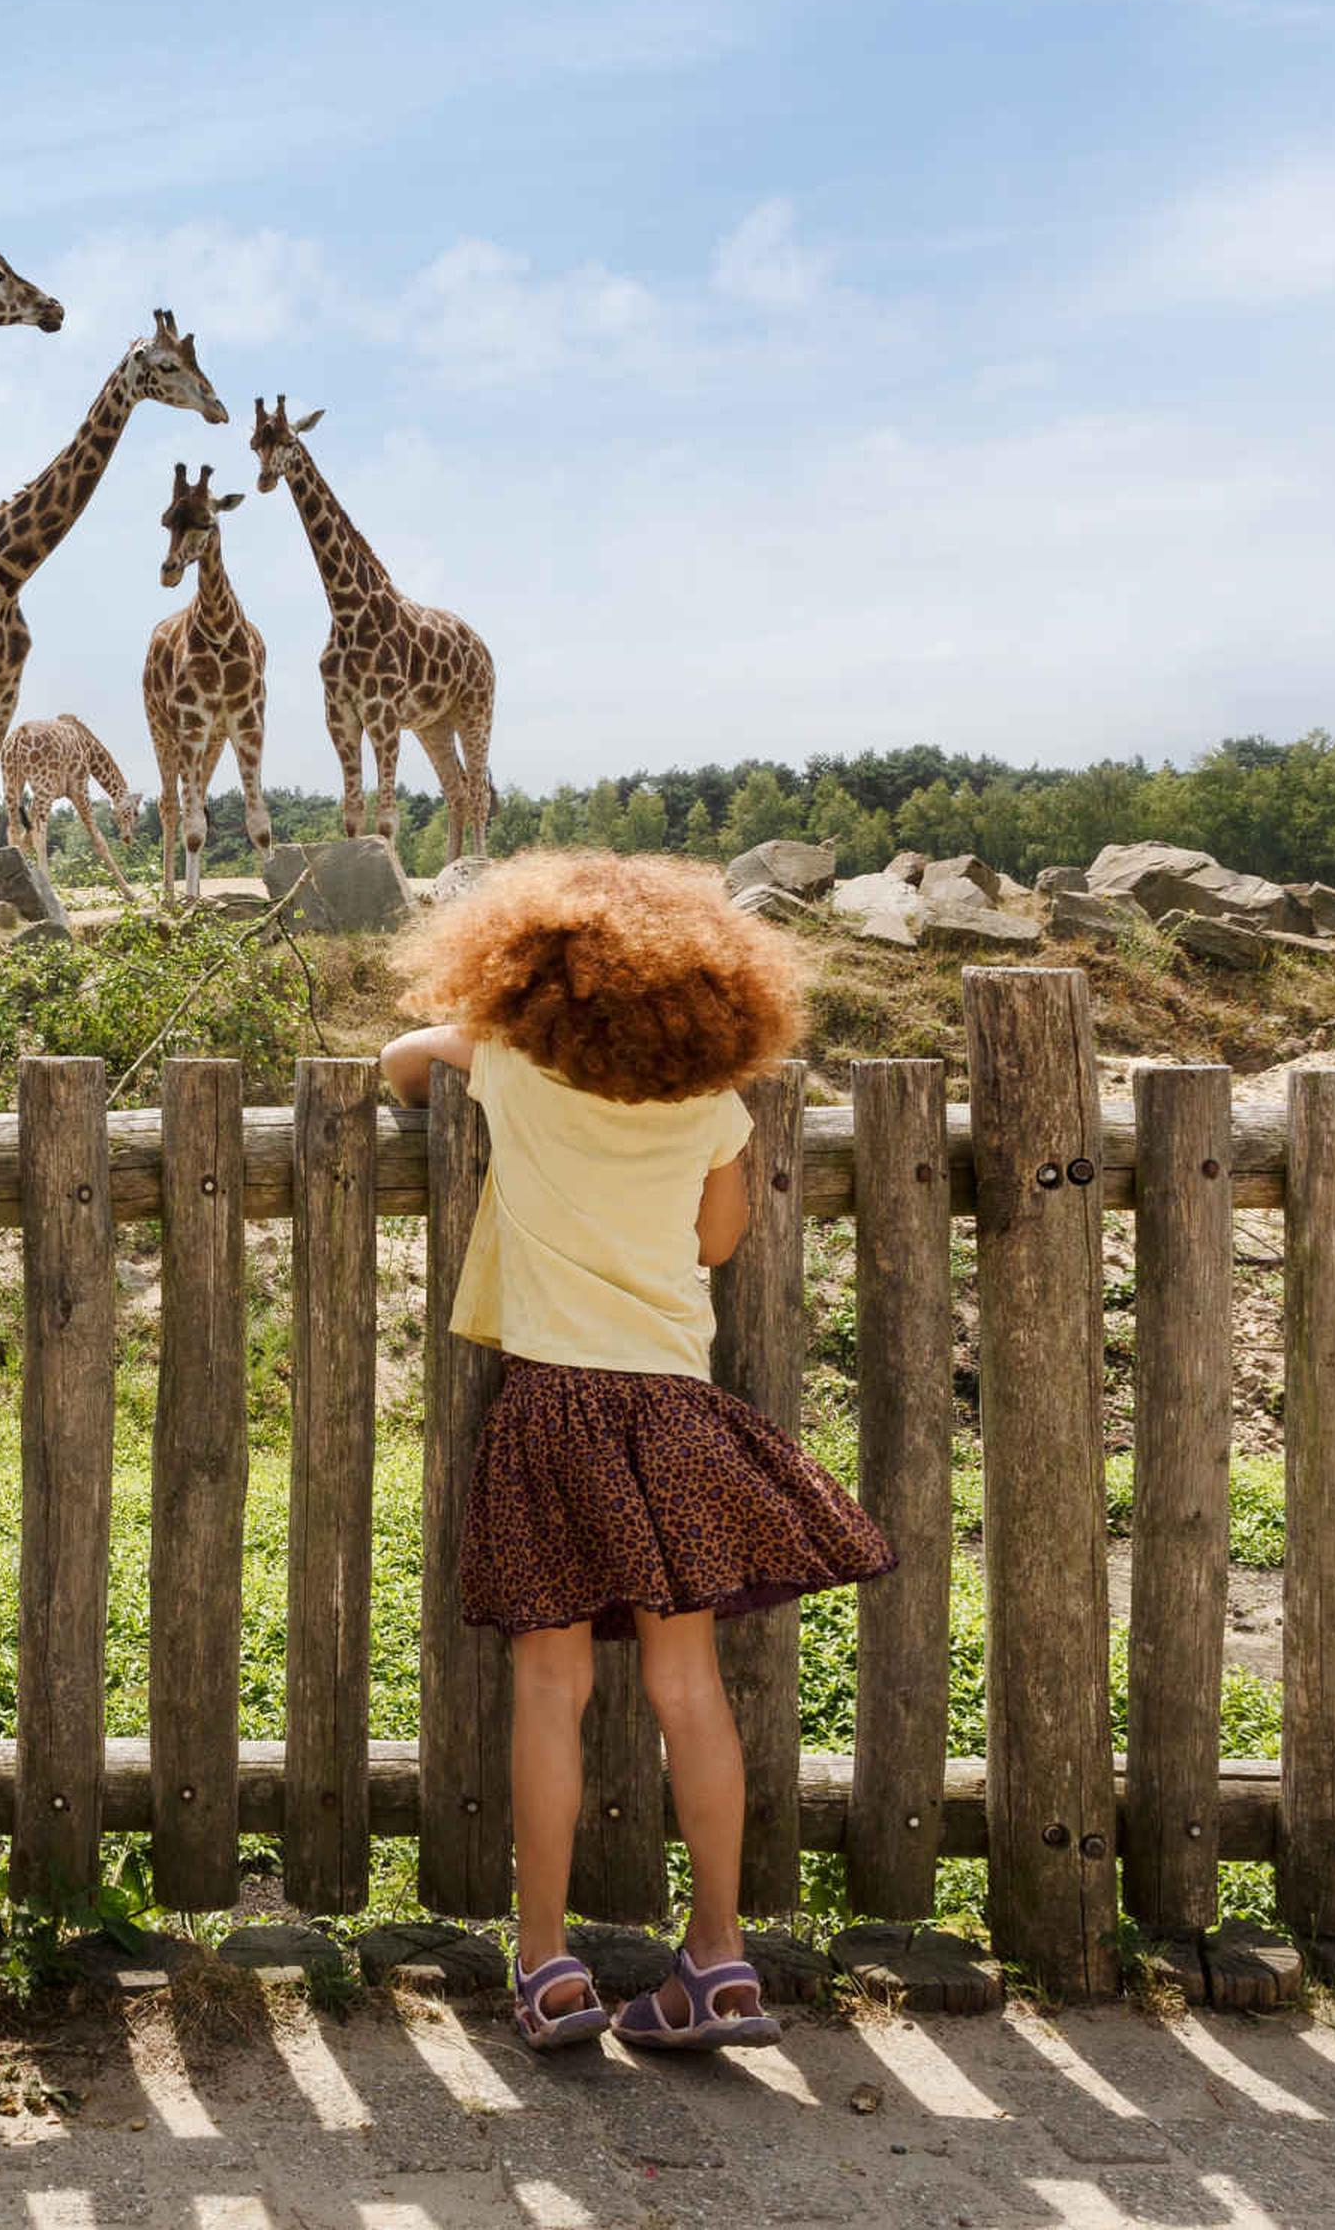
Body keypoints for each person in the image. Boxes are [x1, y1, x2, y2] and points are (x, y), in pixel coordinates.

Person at [379, 851, 892, 2054]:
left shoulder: (505, 1064)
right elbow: (718, 1241)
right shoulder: (713, 1105)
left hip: (551, 1407)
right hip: (670, 1410)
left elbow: (405, 1060)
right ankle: (718, 1958)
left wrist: (451, 1053)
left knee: (551, 1690)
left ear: (531, 970)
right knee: (688, 1689)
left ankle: (548, 1959)